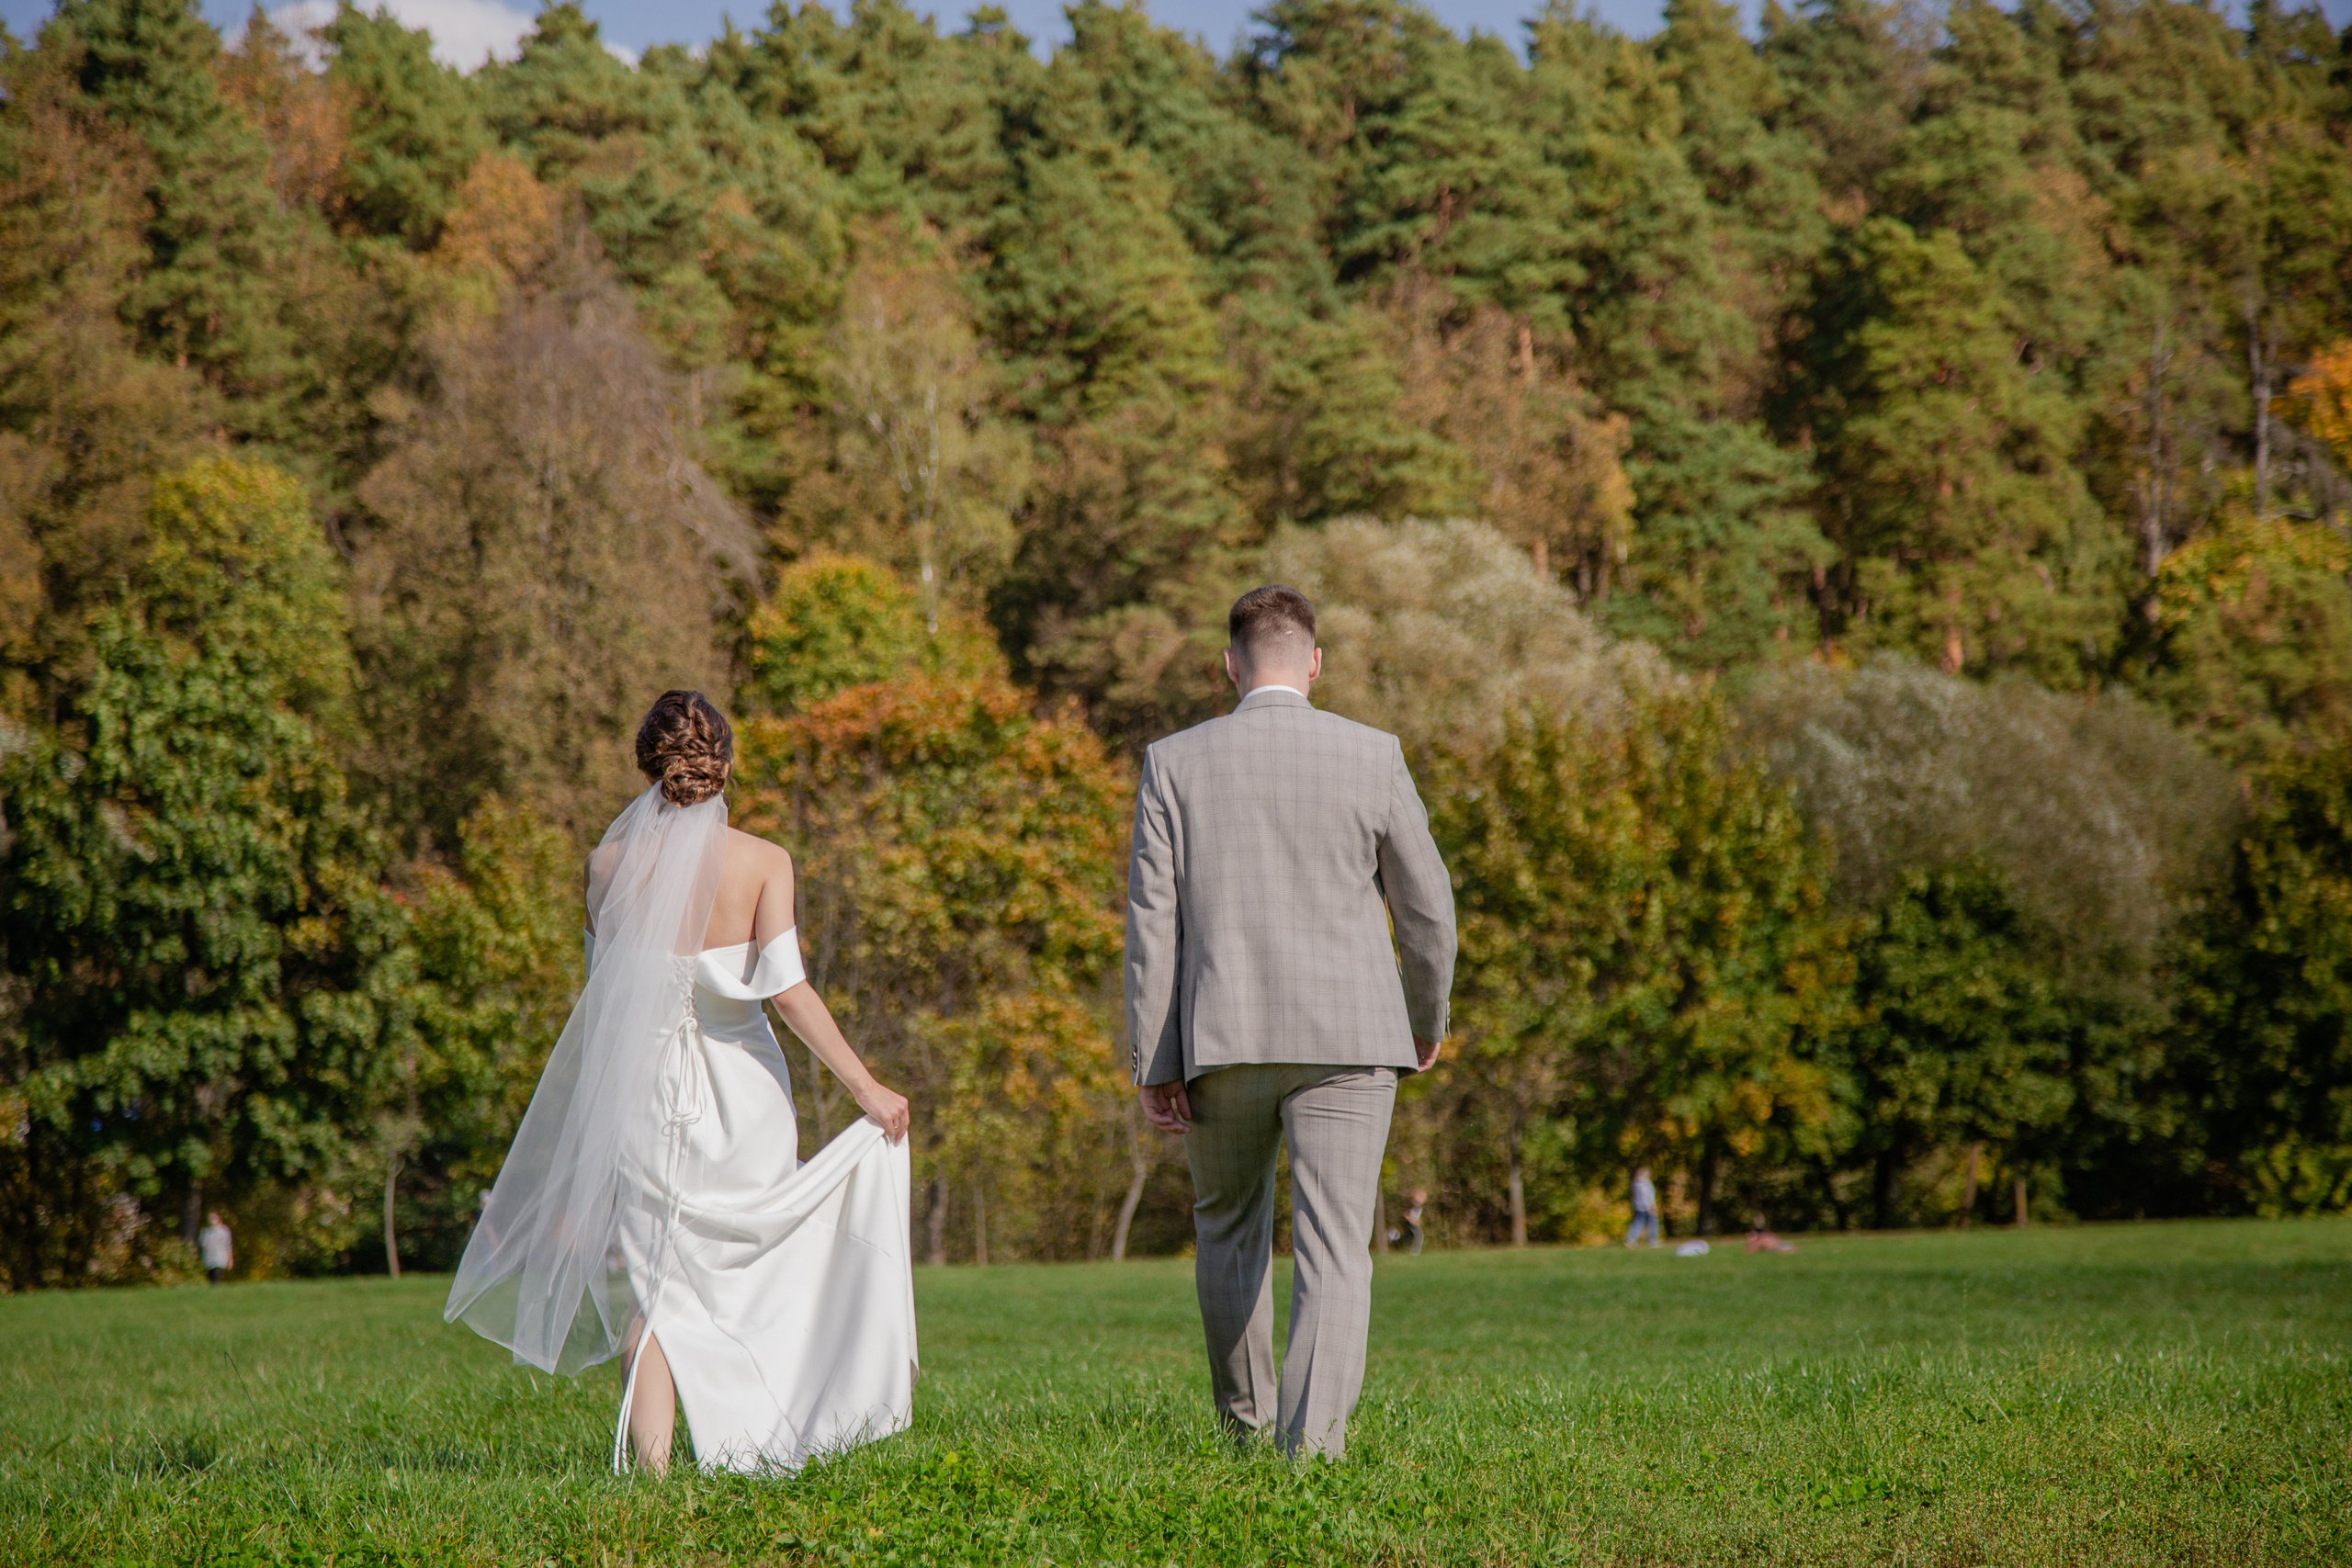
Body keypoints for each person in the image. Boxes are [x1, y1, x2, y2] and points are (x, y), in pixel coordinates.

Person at [446, 692, 916, 1476]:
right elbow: (789, 992)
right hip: (744, 1102)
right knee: (755, 1265)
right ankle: (765, 1436)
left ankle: (655, 1479)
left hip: (639, 1098)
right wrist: (867, 1087)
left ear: (647, 767)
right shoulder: (765, 862)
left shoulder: (604, 865)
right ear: (725, 766)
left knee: (656, 1287)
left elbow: (602, 999)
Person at [1127, 585, 1456, 1461]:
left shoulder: (1172, 761)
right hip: (1352, 1038)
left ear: (1229, 665)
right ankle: (1311, 1454)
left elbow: (1152, 925)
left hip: (1220, 1037)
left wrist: (1156, 1059)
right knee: (1337, 1248)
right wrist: (1425, 1017)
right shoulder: (1374, 753)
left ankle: (1245, 1433)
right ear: (1314, 662)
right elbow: (1428, 910)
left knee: (1227, 1230)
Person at [1626, 1167, 1660, 1248]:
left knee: (1637, 1223)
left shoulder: (1635, 1184)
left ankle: (1630, 1239)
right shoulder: (1646, 1184)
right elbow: (1648, 1196)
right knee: (1652, 1223)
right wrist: (1651, 1206)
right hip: (1647, 1206)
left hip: (1638, 1206)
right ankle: (1653, 1240)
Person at [198, 1212, 232, 1284]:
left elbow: (228, 1245)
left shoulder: (224, 1231)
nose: (211, 1220)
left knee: (216, 1272)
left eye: (213, 1218)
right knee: (211, 1275)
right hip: (209, 1257)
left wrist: (230, 1259)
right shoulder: (205, 1231)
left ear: (218, 1219)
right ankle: (213, 1289)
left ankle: (215, 1288)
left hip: (220, 1257)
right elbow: (202, 1243)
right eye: (210, 1218)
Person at [1398, 1190, 1427, 1258]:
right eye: (1421, 1197)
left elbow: (1416, 1216)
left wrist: (1418, 1220)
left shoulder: (1418, 1207)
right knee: (1419, 1236)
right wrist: (1413, 1221)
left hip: (1414, 1224)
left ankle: (1415, 1252)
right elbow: (1408, 1215)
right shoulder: (1413, 1207)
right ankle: (1415, 1252)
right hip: (1412, 1224)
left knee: (1418, 1236)